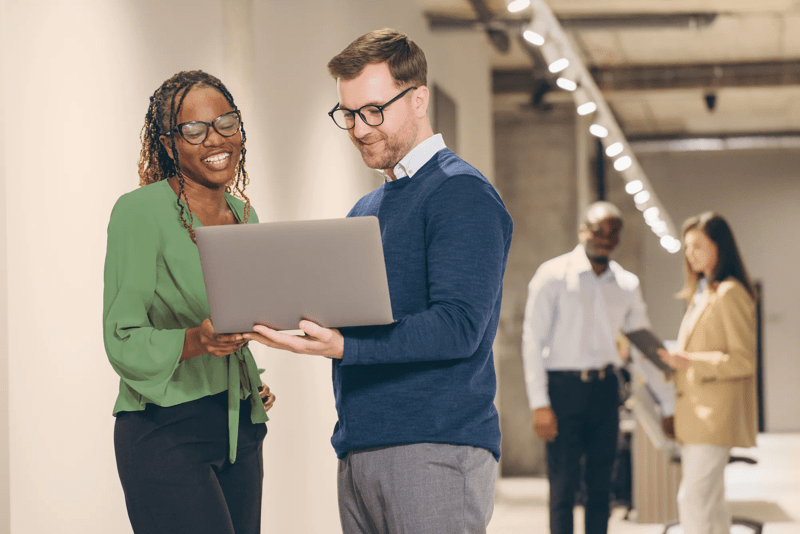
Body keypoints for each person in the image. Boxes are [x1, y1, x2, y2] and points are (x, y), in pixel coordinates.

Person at [243, 29, 513, 534]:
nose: (358, 129)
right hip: (361, 446)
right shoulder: (366, 210)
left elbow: (458, 327)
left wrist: (344, 346)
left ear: (418, 99)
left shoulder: (461, 194)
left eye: (373, 110)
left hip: (435, 448)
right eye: (347, 114)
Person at [103, 70, 276, 534]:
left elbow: (238, 315)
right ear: (168, 142)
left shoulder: (245, 215)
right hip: (165, 430)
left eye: (226, 123)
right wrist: (196, 342)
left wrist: (247, 377)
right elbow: (121, 336)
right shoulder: (139, 212)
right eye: (194, 130)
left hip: (241, 429)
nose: (215, 139)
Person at [521, 201, 650, 534]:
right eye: (598, 230)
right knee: (563, 486)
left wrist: (661, 399)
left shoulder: (627, 284)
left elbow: (642, 345)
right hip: (562, 390)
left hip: (605, 390)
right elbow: (532, 340)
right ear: (582, 231)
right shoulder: (552, 276)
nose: (605, 239)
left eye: (613, 232)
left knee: (601, 486)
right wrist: (540, 404)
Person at [658, 212, 757, 534]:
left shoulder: (730, 293)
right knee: (710, 503)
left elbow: (743, 360)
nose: (690, 254)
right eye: (687, 247)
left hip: (713, 417)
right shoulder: (704, 293)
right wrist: (674, 363)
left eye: (698, 245)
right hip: (696, 416)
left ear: (720, 246)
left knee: (693, 500)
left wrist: (690, 361)